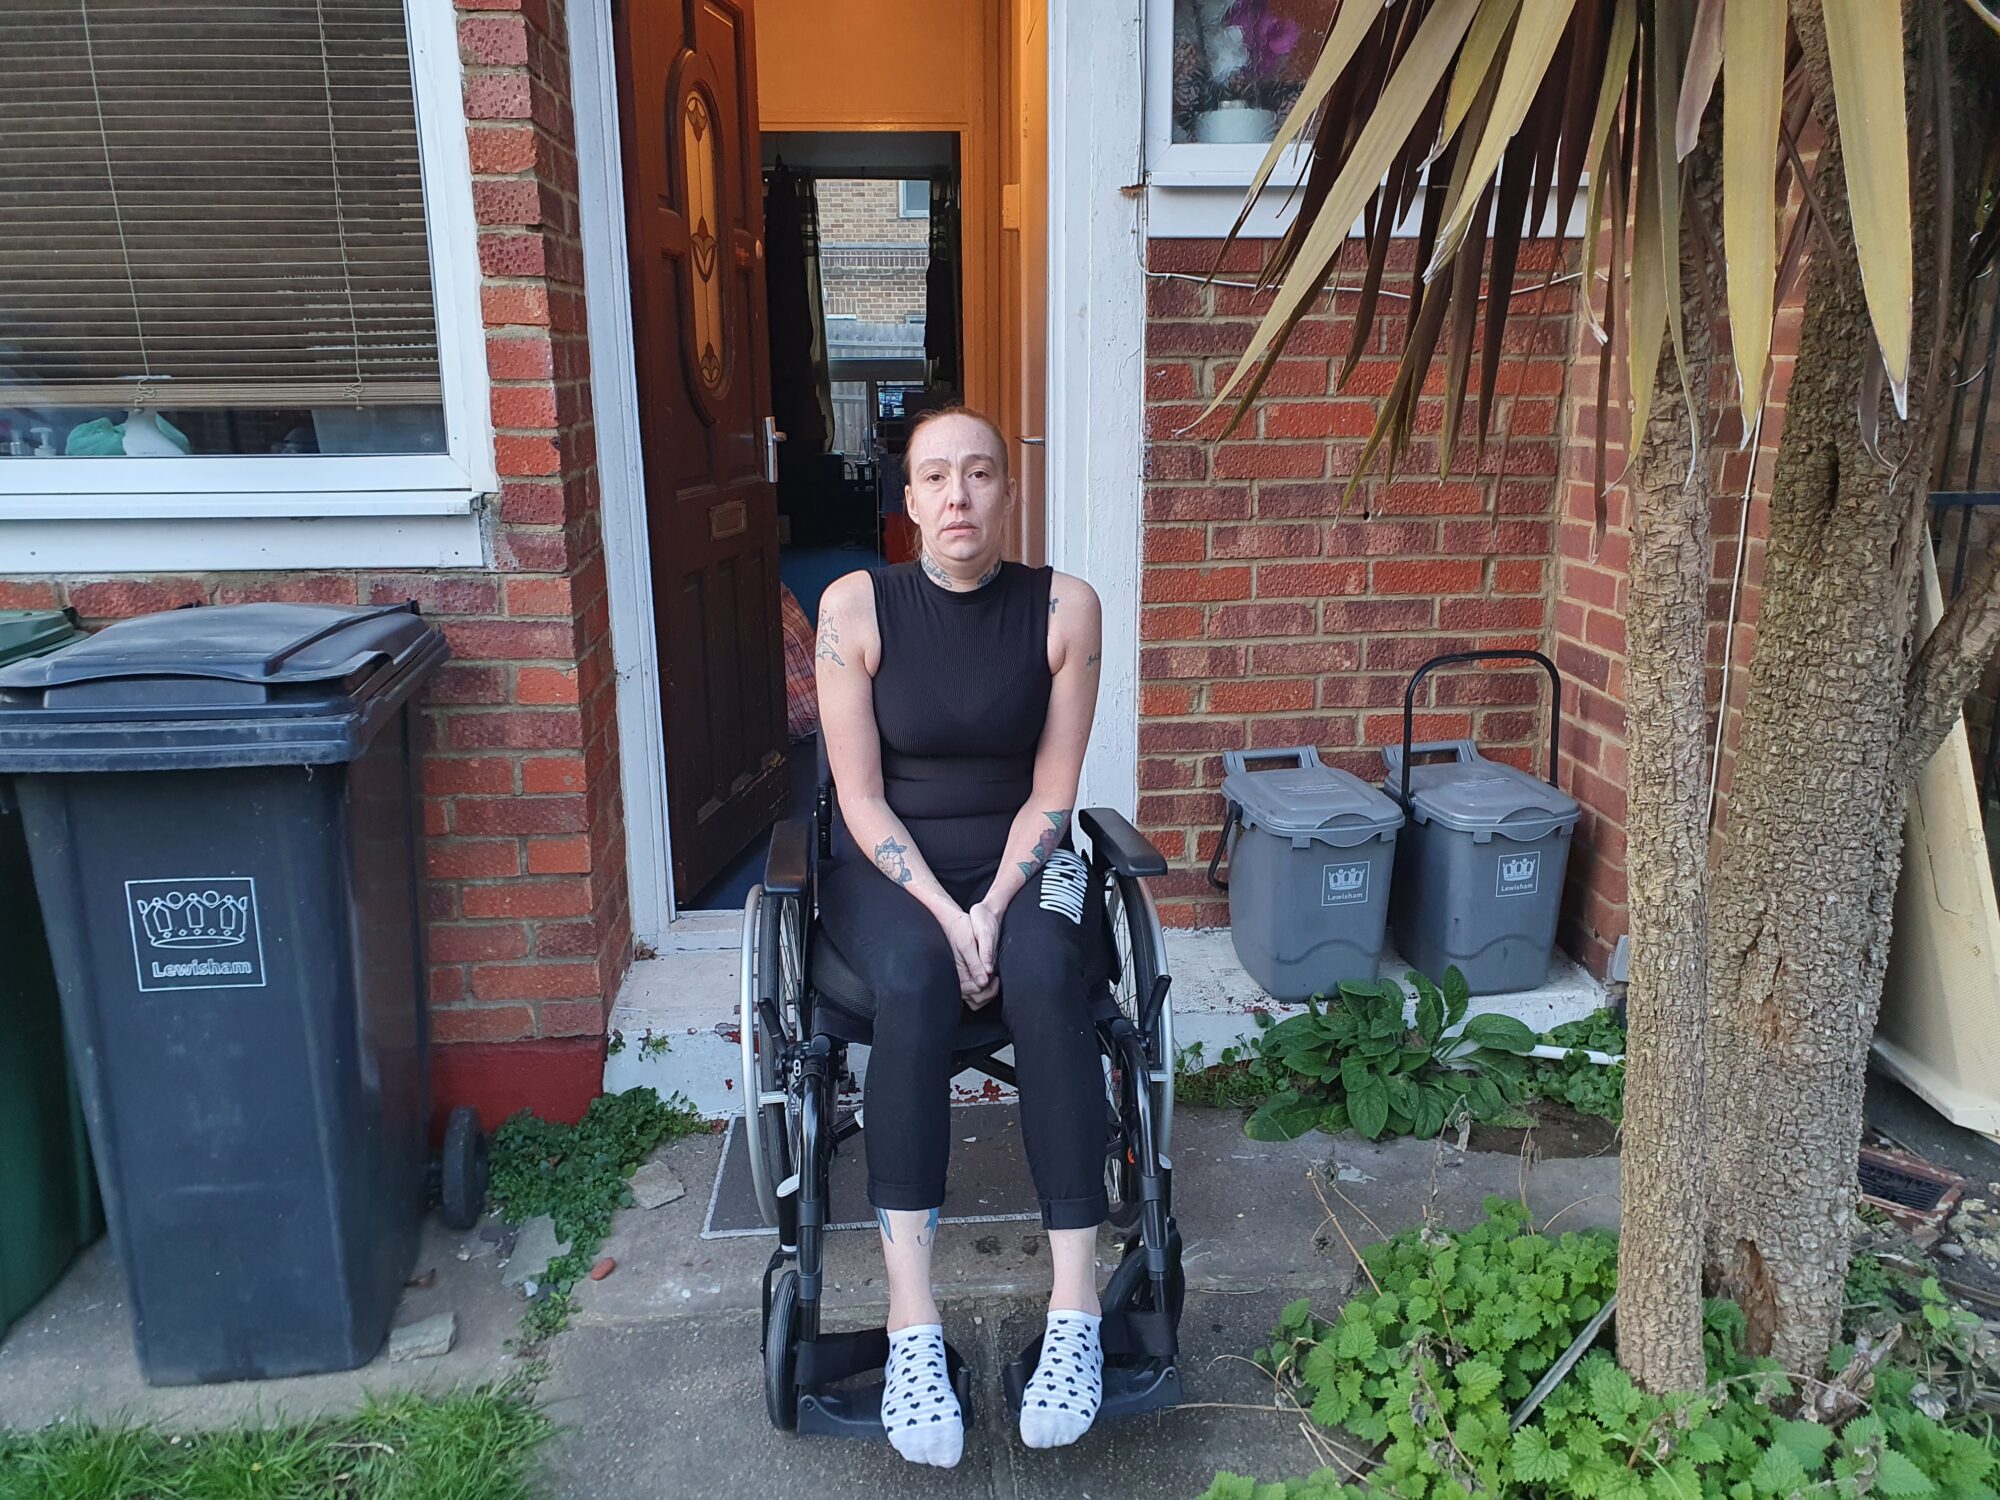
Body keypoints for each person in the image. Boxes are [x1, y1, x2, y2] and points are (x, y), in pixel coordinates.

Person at [812, 405, 1107, 1467]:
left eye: (979, 473)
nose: (957, 495)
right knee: (912, 976)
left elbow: (1054, 792)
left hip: (1027, 857)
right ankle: (911, 1322)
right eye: (935, 476)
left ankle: (1074, 1307)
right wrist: (946, 913)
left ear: (1006, 492)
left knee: (1046, 965)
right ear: (908, 500)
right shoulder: (855, 607)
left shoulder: (1065, 607)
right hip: (892, 865)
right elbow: (858, 797)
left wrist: (994, 907)